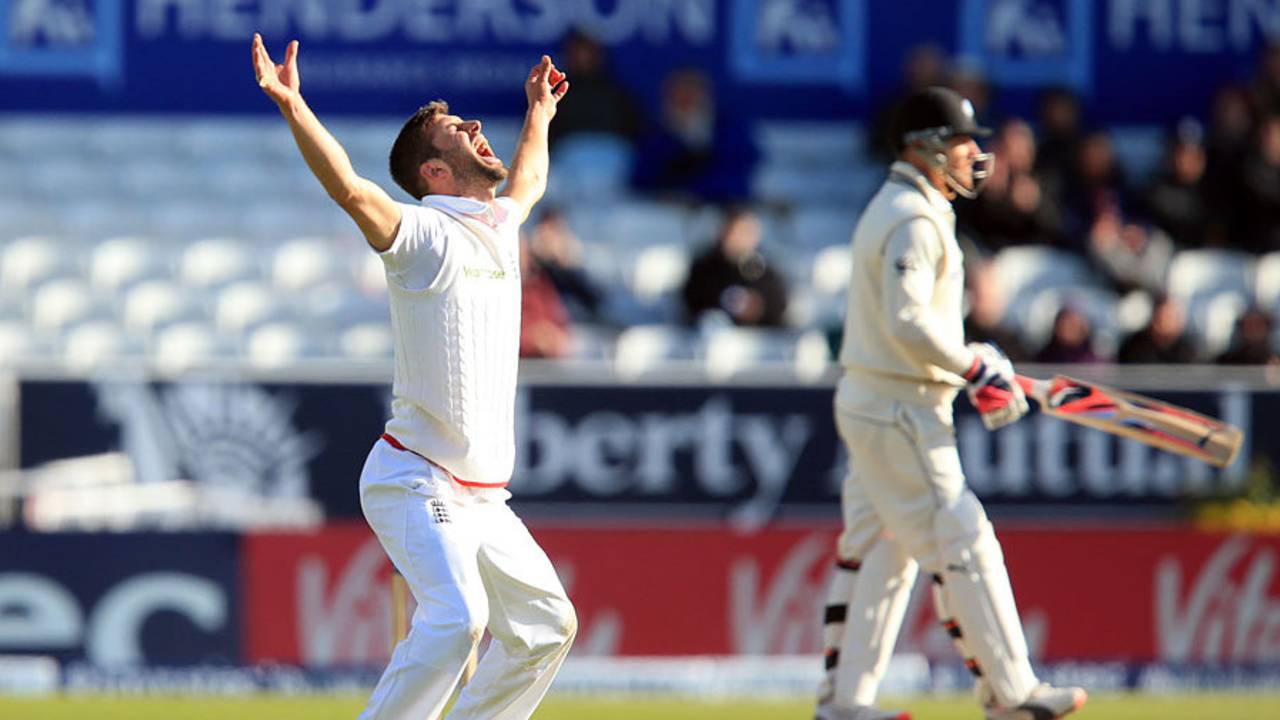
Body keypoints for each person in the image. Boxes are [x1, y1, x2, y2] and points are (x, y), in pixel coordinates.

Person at [251, 35, 576, 720]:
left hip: (484, 500)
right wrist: (292, 105)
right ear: (434, 172)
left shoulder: (499, 221)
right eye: (457, 129)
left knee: (548, 628)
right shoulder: (424, 236)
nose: (474, 126)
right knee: (459, 619)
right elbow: (348, 187)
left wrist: (539, 114)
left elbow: (533, 179)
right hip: (415, 478)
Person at [815, 86, 1086, 720]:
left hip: (882, 399)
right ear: (925, 147)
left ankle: (845, 704)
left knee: (880, 546)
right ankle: (1011, 693)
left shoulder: (908, 206)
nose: (975, 153)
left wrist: (976, 363)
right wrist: (974, 366)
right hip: (899, 406)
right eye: (964, 141)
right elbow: (907, 321)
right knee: (962, 537)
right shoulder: (911, 216)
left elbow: (908, 324)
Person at [681, 206, 789, 327]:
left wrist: (757, 308)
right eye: (730, 231)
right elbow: (692, 301)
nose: (733, 238)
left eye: (741, 233)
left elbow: (777, 304)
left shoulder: (764, 269)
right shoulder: (704, 268)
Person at [1116, 294, 1197, 363]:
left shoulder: (1187, 352)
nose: (1163, 322)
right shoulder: (1133, 348)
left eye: (1169, 317)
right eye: (1160, 317)